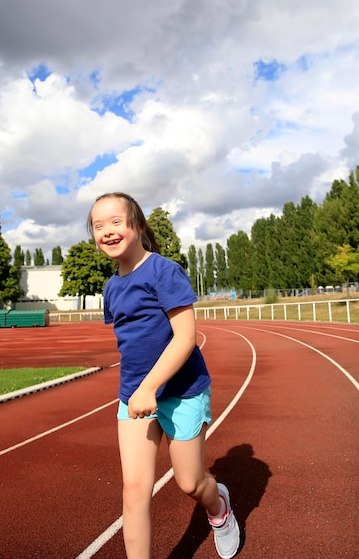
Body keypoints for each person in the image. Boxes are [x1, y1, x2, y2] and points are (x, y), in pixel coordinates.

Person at [87, 192, 240, 559]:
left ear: (137, 225)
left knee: (190, 483)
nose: (107, 231)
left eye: (116, 222)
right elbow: (134, 340)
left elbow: (186, 337)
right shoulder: (111, 287)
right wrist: (137, 390)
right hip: (135, 399)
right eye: (97, 226)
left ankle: (219, 508)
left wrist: (151, 386)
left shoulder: (163, 271)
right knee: (134, 490)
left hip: (182, 391)